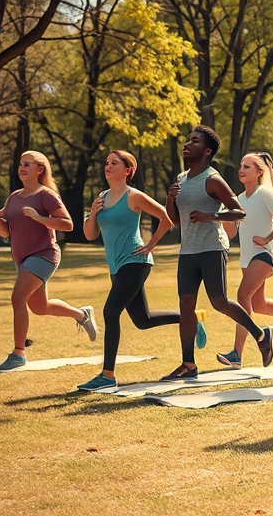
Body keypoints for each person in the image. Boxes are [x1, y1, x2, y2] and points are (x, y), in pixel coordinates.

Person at [76, 151, 207, 390]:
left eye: (114, 163)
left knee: (110, 311)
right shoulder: (101, 198)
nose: (108, 166)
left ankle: (107, 375)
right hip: (116, 266)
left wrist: (151, 243)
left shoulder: (133, 196)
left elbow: (166, 217)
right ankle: (191, 318)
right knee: (142, 320)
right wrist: (93, 213)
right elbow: (89, 234)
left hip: (136, 262)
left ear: (127, 171)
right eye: (106, 162)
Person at [163, 126, 273, 380]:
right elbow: (176, 221)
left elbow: (239, 212)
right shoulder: (181, 179)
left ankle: (261, 335)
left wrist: (210, 216)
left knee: (219, 301)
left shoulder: (212, 179)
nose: (187, 144)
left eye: (194, 141)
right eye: (188, 140)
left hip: (212, 247)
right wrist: (169, 199)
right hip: (188, 250)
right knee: (186, 305)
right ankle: (188, 365)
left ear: (207, 150)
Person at [0, 151, 97, 370]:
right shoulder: (14, 197)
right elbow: (6, 232)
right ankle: (81, 314)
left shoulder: (46, 195)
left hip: (44, 254)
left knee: (18, 297)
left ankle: (18, 354)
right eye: (21, 164)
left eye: (27, 164)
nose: (22, 167)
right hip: (22, 259)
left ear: (39, 169)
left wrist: (40, 218)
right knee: (39, 307)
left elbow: (68, 224)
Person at [217, 152, 273, 368]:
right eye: (241, 166)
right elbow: (232, 233)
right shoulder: (238, 199)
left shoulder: (264, 193)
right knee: (258, 304)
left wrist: (268, 238)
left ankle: (237, 354)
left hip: (266, 252)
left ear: (259, 172)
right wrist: (226, 212)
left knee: (242, 295)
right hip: (247, 256)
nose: (242, 170)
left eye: (248, 167)